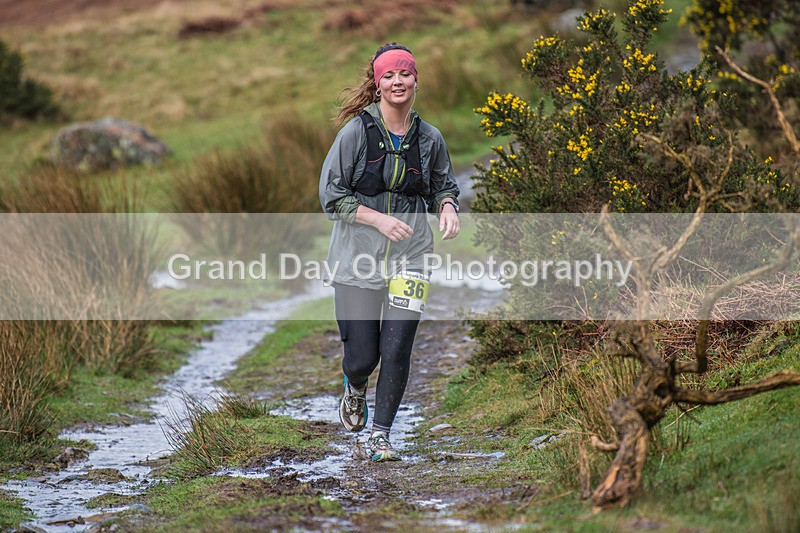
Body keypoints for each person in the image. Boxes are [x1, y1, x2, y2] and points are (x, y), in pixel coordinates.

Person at [319, 43, 460, 461]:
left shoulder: (429, 138)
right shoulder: (355, 134)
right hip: (356, 261)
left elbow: (443, 186)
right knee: (363, 356)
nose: (398, 82)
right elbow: (331, 196)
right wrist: (377, 219)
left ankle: (381, 436)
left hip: (411, 257)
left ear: (416, 80)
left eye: (405, 74)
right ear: (377, 85)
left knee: (397, 348)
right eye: (389, 76)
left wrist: (448, 207)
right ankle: (355, 385)